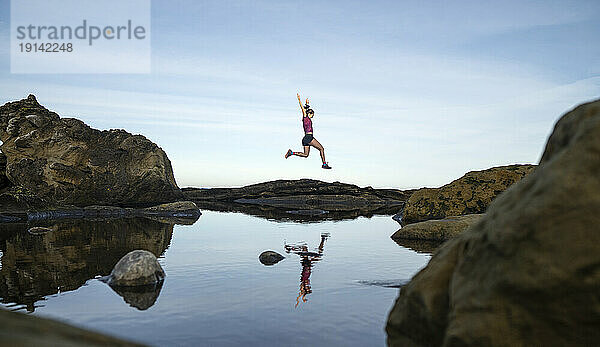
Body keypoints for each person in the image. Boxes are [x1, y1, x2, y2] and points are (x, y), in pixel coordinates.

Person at [285, 93, 332, 169]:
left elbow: (306, 110)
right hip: (309, 137)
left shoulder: (306, 119)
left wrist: (307, 103)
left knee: (306, 155)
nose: (313, 116)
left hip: (305, 139)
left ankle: (291, 153)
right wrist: (299, 100)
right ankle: (324, 164)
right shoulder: (305, 117)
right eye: (312, 114)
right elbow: (303, 110)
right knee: (321, 149)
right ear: (310, 113)